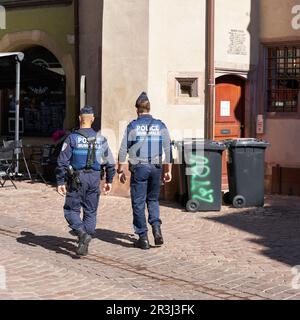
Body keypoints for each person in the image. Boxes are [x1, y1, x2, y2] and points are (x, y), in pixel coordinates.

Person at [56, 106, 116, 256]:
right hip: (94, 178)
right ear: (93, 119)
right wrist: (109, 180)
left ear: (79, 118)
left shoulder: (72, 138)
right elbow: (110, 162)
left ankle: (82, 234)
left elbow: (62, 162)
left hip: (77, 178)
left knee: (71, 210)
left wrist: (60, 181)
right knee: (90, 211)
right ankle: (85, 241)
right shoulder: (101, 139)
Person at [118, 92, 173, 250]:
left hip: (139, 168)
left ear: (137, 110)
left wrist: (120, 170)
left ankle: (143, 237)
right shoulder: (160, 125)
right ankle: (156, 228)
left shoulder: (133, 126)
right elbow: (168, 150)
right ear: (149, 108)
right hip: (156, 168)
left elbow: (123, 150)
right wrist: (168, 170)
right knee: (153, 200)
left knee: (138, 202)